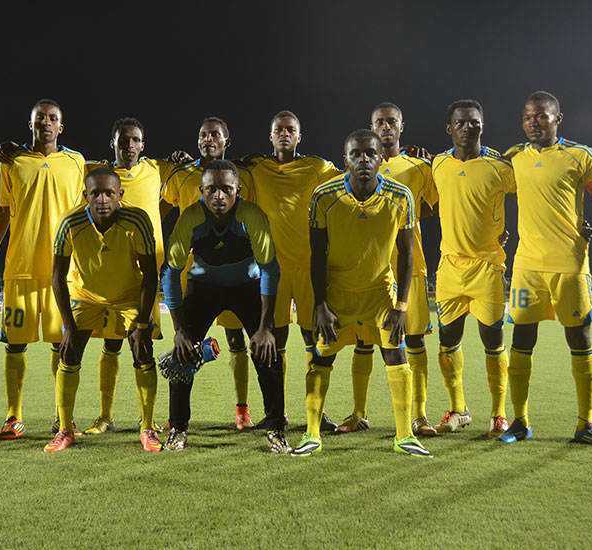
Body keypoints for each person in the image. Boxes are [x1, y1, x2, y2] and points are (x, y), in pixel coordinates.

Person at [500, 91, 592, 448]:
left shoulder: (580, 156)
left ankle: (586, 424)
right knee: (521, 340)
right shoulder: (513, 157)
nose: (533, 123)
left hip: (570, 264)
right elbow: (481, 181)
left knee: (580, 340)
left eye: (541, 116)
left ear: (557, 119)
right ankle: (520, 422)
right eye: (527, 117)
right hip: (527, 265)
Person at [293, 129, 431, 457]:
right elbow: (317, 254)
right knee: (321, 359)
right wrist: (321, 305)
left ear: (381, 158)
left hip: (380, 292)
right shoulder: (324, 196)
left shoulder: (401, 196)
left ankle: (404, 436)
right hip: (337, 294)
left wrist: (401, 306)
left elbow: (407, 254)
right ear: (346, 159)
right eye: (356, 154)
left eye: (370, 153)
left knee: (396, 356)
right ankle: (312, 434)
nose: (364, 159)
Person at [161, 159, 288, 453]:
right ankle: (178, 428)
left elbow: (270, 269)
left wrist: (265, 328)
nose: (219, 196)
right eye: (211, 190)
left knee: (268, 355)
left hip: (247, 287)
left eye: (226, 189)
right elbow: (169, 272)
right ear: (201, 190)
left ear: (238, 190)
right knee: (182, 356)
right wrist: (180, 330)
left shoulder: (252, 216)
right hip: (204, 288)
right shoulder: (191, 217)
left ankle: (275, 430)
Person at [334, 102, 440, 436]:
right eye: (379, 122)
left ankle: (420, 416)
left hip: (411, 266)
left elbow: (436, 205)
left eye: (392, 121)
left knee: (414, 340)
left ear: (401, 126)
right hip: (371, 268)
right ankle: (358, 412)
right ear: (372, 127)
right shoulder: (358, 167)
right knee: (364, 342)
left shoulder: (419, 166)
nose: (386, 126)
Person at [0, 99, 85, 438]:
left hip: (63, 271)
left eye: (53, 118)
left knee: (63, 345)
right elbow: (3, 210)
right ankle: (12, 417)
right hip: (21, 267)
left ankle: (63, 417)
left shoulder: (76, 162)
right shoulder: (12, 161)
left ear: (61, 127)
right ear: (30, 124)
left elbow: (85, 213)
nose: (46, 122)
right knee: (15, 345)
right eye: (40, 118)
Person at [46, 166, 158, 453]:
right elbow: (57, 277)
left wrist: (141, 323)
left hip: (128, 296)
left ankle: (147, 428)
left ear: (120, 194)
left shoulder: (138, 220)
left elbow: (150, 274)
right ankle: (64, 430)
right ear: (85, 196)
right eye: (95, 193)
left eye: (109, 193)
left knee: (142, 350)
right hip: (85, 296)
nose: (103, 199)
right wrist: (69, 326)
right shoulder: (69, 222)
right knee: (69, 351)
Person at [244, 110, 341, 431]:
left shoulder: (318, 168)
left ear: (300, 136)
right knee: (275, 340)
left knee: (314, 339)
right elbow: (225, 172)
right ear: (270, 136)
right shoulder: (257, 169)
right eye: (279, 130)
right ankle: (277, 413)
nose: (284, 134)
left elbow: (353, 175)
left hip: (309, 266)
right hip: (271, 269)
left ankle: (317, 412)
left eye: (290, 130)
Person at [82, 117, 178, 436]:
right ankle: (105, 417)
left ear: (143, 145)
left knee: (142, 345)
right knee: (111, 345)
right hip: (113, 271)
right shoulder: (98, 173)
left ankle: (145, 420)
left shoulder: (156, 169)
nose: (129, 145)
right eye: (123, 139)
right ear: (113, 143)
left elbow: (187, 171)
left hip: (146, 274)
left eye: (135, 140)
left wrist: (181, 158)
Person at [160, 118, 257, 430]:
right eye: (203, 134)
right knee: (185, 341)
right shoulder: (182, 173)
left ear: (227, 141)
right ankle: (177, 417)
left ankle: (242, 410)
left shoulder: (241, 175)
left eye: (215, 134)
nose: (208, 139)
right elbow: (159, 207)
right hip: (191, 272)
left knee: (236, 340)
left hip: (230, 270)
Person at [429, 99, 515, 438]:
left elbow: (532, 193)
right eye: (461, 122)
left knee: (493, 340)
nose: (468, 127)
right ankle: (458, 410)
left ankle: (499, 414)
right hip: (449, 267)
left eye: (474, 122)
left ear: (482, 125)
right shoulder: (437, 164)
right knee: (447, 341)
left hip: (487, 267)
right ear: (449, 128)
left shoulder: (500, 166)